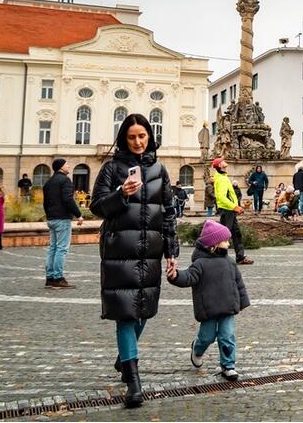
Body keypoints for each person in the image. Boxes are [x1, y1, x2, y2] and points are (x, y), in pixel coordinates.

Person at [90, 113, 180, 409]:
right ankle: (134, 383)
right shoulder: (112, 168)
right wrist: (120, 194)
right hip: (119, 250)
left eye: (143, 136)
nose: (138, 142)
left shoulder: (159, 169)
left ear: (150, 137)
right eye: (132, 137)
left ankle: (123, 358)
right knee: (126, 315)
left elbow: (168, 212)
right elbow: (97, 207)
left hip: (150, 250)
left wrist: (172, 251)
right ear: (123, 139)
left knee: (143, 311)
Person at [167, 219, 250, 380]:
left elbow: (238, 282)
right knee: (207, 337)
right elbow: (188, 277)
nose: (228, 243)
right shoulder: (200, 264)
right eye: (225, 240)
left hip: (227, 307)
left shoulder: (229, 262)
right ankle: (197, 350)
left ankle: (228, 365)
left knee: (227, 336)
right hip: (209, 308)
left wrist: (242, 301)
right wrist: (175, 276)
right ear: (213, 245)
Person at [42, 158, 83, 289]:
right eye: (67, 164)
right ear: (61, 167)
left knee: (53, 248)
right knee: (61, 249)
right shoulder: (65, 180)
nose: (69, 166)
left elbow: (45, 202)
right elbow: (68, 199)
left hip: (52, 219)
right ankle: (58, 278)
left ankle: (50, 278)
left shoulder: (48, 182)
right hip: (62, 219)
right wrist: (78, 214)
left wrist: (49, 215)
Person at [212, 158, 253, 265]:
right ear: (220, 165)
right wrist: (234, 207)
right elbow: (221, 197)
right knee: (224, 235)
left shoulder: (223, 177)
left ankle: (240, 257)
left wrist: (235, 206)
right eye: (222, 161)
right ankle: (218, 257)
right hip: (227, 210)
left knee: (236, 234)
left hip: (230, 210)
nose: (225, 161)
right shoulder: (221, 179)